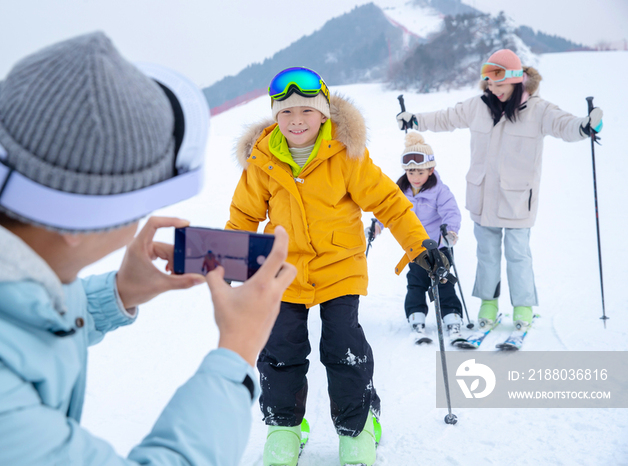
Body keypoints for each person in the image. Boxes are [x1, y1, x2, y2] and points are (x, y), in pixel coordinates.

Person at [0, 32, 297, 466]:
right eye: (141, 202)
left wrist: (118, 293)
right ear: (76, 223)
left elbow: (11, 322)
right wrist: (237, 350)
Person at [226, 66, 444, 466]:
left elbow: (389, 203)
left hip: (341, 265)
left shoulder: (345, 154)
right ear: (275, 116)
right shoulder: (262, 159)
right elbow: (243, 216)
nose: (296, 121)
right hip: (284, 270)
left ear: (324, 114)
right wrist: (231, 263)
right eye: (287, 112)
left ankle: (357, 427)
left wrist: (420, 244)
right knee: (280, 349)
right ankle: (285, 427)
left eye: (306, 112)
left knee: (342, 347)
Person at [396, 49, 604, 333]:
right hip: (483, 198)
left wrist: (585, 126)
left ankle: (522, 306)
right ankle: (488, 304)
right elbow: (447, 118)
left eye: (500, 84)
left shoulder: (539, 109)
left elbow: (564, 125)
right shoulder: (478, 106)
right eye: (490, 84)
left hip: (518, 200)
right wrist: (415, 120)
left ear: (517, 80)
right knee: (488, 255)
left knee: (518, 255)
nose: (494, 90)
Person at [369, 132, 463, 343]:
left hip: (438, 248)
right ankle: (416, 318)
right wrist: (378, 225)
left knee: (444, 282)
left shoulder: (440, 191)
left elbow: (451, 212)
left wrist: (451, 231)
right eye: (411, 171)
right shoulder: (400, 189)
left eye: (420, 171)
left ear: (431, 170)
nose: (415, 176)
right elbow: (389, 209)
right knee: (416, 283)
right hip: (415, 248)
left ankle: (452, 319)